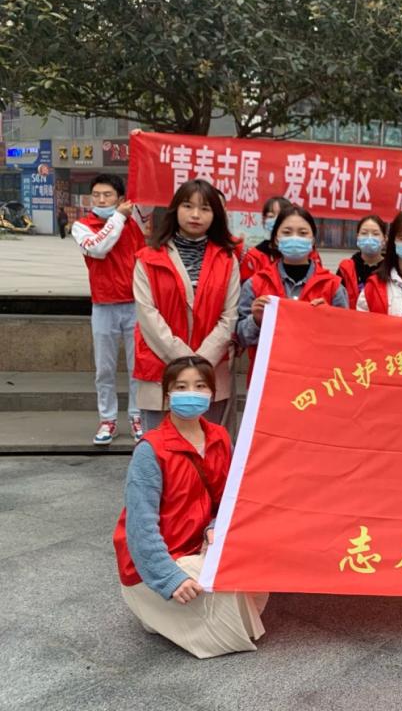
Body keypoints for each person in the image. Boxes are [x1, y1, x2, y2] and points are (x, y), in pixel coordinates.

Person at [113, 356, 267, 658]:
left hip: (199, 546)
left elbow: (228, 501)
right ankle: (155, 603)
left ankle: (171, 613)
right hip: (160, 562)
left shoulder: (219, 437)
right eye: (181, 387)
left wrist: (213, 528)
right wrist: (169, 578)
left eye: (199, 386)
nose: (191, 393)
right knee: (219, 608)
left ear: (212, 393)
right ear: (167, 395)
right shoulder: (151, 450)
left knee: (255, 556)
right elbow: (140, 528)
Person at [133, 179, 240, 432]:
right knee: (160, 447)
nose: (195, 214)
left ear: (216, 215)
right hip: (161, 369)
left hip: (211, 371)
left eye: (205, 208)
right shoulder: (148, 258)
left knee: (209, 446)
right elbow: (148, 316)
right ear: (175, 209)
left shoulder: (228, 259)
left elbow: (230, 317)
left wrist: (201, 363)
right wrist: (185, 362)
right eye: (188, 206)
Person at [72, 174, 148, 445]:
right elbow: (99, 248)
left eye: (107, 195)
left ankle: (137, 416)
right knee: (104, 369)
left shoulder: (133, 223)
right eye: (96, 195)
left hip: (134, 304)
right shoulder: (81, 226)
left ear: (120, 198)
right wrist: (117, 217)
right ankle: (108, 419)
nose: (101, 200)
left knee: (138, 367)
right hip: (103, 305)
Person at [236, 206, 348, 348]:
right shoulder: (255, 284)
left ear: (313, 240)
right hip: (270, 362)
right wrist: (256, 320)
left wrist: (328, 320)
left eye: (303, 233)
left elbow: (346, 338)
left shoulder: (333, 287)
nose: (295, 237)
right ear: (276, 239)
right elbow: (241, 338)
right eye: (287, 233)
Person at [336, 215, 387, 307]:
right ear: (357, 237)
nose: (369, 238)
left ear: (385, 239)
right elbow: (336, 300)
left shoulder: (391, 269)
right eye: (364, 233)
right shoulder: (346, 269)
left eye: (375, 234)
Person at [240, 196, 291, 283]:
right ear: (263, 220)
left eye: (281, 216)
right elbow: (247, 288)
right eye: (271, 216)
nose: (276, 220)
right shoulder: (254, 256)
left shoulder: (304, 253)